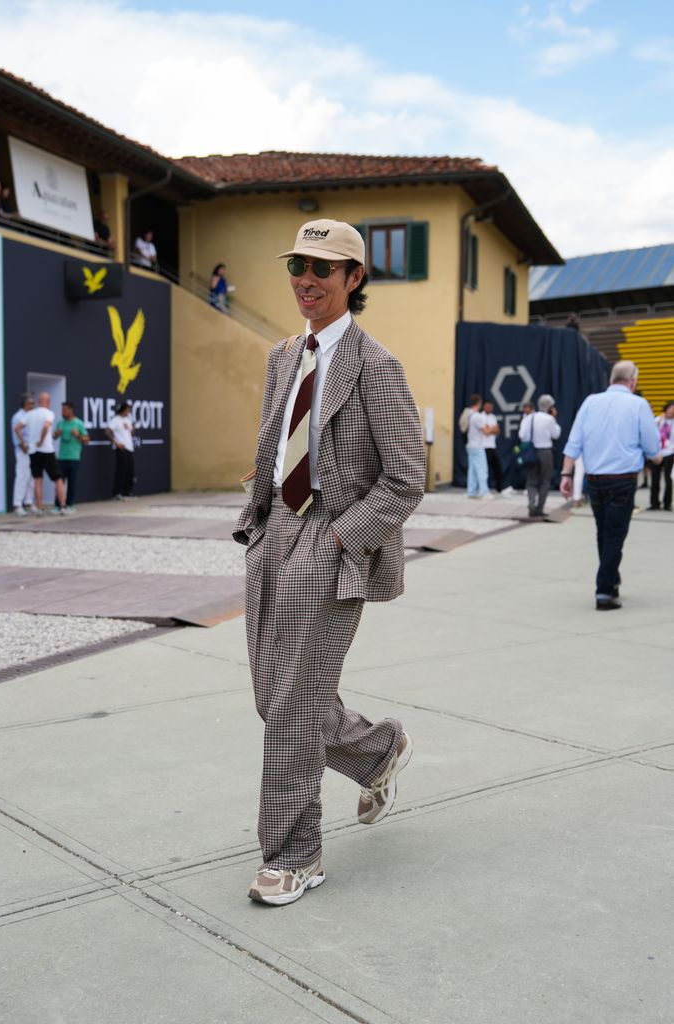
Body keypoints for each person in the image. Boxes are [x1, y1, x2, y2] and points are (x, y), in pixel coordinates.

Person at [233, 218, 425, 906]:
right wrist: (253, 520)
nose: (305, 280)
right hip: (272, 535)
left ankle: (294, 854)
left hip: (330, 540)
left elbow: (406, 477)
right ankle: (376, 750)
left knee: (290, 708)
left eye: (323, 268)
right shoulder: (284, 354)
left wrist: (343, 537)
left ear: (354, 278)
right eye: (296, 266)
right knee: (272, 697)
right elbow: (269, 443)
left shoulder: (376, 367)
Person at [559, 360, 661, 610]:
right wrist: (657, 457)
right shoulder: (638, 404)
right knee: (615, 535)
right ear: (633, 382)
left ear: (611, 380)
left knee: (603, 533)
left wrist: (566, 474)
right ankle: (604, 591)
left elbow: (574, 441)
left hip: (596, 479)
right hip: (623, 479)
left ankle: (612, 580)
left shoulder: (590, 402)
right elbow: (652, 446)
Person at [518, 393, 561, 517]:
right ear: (549, 407)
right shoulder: (550, 419)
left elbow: (522, 435)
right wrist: (554, 418)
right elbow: (556, 435)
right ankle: (539, 509)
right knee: (545, 482)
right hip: (546, 452)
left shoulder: (530, 418)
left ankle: (531, 504)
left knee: (531, 481)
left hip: (532, 452)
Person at [24, 392, 67, 514]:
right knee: (58, 479)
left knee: (38, 479)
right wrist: (41, 441)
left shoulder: (30, 414)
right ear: (48, 402)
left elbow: (17, 428)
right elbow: (46, 426)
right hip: (46, 450)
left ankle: (39, 508)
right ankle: (62, 507)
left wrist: (24, 442)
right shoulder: (49, 413)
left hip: (33, 451)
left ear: (38, 401)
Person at [53, 401, 90, 511]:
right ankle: (58, 505)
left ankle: (70, 505)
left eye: (64, 410)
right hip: (61, 458)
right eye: (62, 410)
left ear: (70, 410)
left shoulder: (78, 423)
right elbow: (54, 437)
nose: (62, 412)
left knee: (72, 483)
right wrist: (55, 434)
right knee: (60, 483)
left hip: (74, 458)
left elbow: (87, 439)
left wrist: (78, 435)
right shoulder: (60, 423)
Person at [461, 394, 495, 499]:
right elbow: (486, 431)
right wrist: (493, 428)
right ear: (479, 403)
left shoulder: (469, 414)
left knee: (472, 470)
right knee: (482, 469)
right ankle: (483, 492)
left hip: (470, 445)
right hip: (477, 446)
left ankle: (471, 491)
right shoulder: (477, 416)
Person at [10, 392, 36, 516]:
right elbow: (16, 434)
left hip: (32, 450)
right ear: (25, 404)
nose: (33, 405)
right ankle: (17, 504)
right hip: (22, 451)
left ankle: (29, 503)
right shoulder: (18, 417)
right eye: (31, 403)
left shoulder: (31, 415)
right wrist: (23, 446)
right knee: (22, 477)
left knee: (31, 478)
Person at [105, 401, 135, 499]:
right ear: (122, 410)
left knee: (130, 471)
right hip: (121, 448)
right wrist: (116, 443)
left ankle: (127, 492)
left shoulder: (128, 420)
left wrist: (132, 427)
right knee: (121, 471)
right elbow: (107, 431)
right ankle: (117, 493)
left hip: (130, 448)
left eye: (129, 410)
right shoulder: (115, 420)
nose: (128, 412)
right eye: (127, 410)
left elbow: (131, 433)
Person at [648, 401, 674, 511]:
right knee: (655, 478)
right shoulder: (658, 420)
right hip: (657, 452)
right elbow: (650, 432)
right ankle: (654, 503)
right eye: (670, 408)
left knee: (668, 479)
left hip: (670, 452)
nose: (672, 410)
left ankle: (667, 503)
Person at [482, 398, 503, 492]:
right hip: (483, 447)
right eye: (487, 407)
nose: (489, 408)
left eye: (491, 407)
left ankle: (499, 488)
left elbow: (497, 431)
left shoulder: (493, 417)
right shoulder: (480, 417)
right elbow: (485, 432)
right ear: (484, 407)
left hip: (492, 446)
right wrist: (492, 429)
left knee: (497, 467)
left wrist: (490, 429)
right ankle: (484, 488)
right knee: (484, 469)